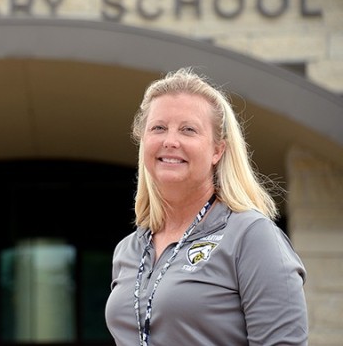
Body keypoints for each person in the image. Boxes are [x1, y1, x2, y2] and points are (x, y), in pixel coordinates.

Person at [105, 67, 308, 346]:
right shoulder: (129, 250)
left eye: (188, 130)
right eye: (159, 128)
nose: (170, 141)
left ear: (217, 151)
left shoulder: (251, 236)